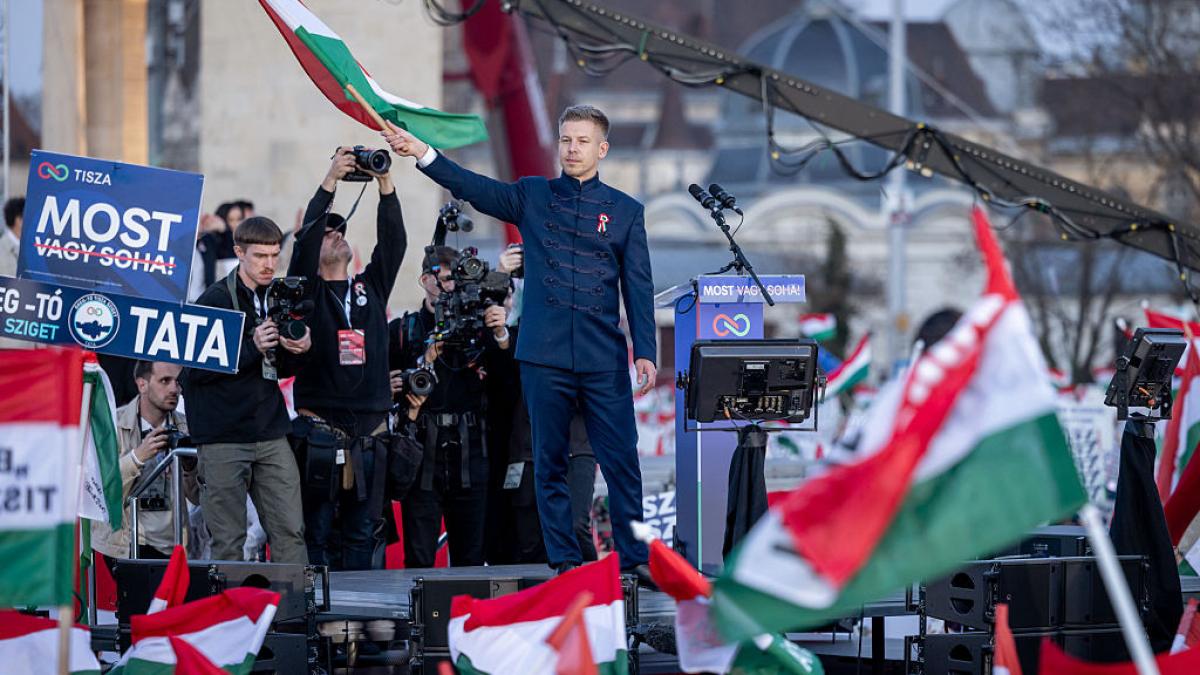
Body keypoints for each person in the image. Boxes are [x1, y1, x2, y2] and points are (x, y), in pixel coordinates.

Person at [384, 104, 658, 582]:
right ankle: (564, 561)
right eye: (566, 139)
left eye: (582, 141)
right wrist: (422, 152)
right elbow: (473, 187)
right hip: (543, 354)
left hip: (602, 356)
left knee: (622, 462)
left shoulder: (625, 211)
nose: (572, 149)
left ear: (602, 149)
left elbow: (638, 286)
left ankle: (636, 558)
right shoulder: (534, 195)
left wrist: (648, 352)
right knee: (547, 462)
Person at [287, 147, 407, 570]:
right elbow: (304, 242)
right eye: (327, 233)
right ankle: (317, 608)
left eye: (340, 230)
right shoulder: (306, 294)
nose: (336, 235)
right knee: (317, 531)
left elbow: (394, 244)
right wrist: (330, 181)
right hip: (321, 428)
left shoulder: (369, 288)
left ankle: (359, 608)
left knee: (363, 532)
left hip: (370, 430)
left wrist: (385, 183)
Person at [182, 216, 311, 565]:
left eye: (274, 255)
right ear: (239, 252)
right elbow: (193, 372)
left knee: (290, 531)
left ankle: (291, 600)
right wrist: (252, 346)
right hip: (223, 436)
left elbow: (279, 369)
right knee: (228, 540)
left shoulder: (278, 297)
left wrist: (298, 349)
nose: (269, 264)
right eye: (260, 256)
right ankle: (231, 602)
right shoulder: (215, 299)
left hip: (269, 430)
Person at [387, 246, 511, 568]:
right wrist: (416, 367)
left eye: (455, 278)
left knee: (471, 558)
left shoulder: (479, 327)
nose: (449, 286)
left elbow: (507, 383)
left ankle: (467, 604)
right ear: (425, 280)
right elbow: (383, 388)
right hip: (422, 451)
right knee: (420, 558)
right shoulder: (404, 330)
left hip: (471, 450)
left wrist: (500, 335)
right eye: (442, 278)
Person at [92, 361, 199, 568]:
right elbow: (100, 492)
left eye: (178, 382)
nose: (174, 389)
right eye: (165, 381)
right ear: (142, 384)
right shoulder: (112, 424)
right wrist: (137, 456)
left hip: (175, 545)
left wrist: (189, 467)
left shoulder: (188, 427)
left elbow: (199, 498)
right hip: (126, 544)